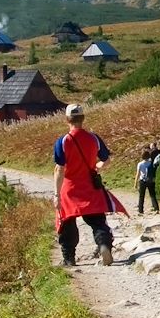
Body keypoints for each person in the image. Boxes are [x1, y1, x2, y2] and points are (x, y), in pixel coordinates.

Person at [53, 104, 119, 266]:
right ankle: (104, 244)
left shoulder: (62, 142)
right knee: (97, 220)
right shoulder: (94, 138)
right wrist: (97, 167)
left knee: (67, 222)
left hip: (70, 188)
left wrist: (56, 195)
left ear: (67, 119)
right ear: (82, 118)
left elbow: (59, 170)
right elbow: (106, 159)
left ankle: (69, 258)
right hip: (90, 186)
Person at [136, 144, 160, 214]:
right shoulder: (151, 163)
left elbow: (138, 174)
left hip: (142, 181)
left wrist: (135, 183)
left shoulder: (140, 164)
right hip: (151, 180)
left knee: (141, 196)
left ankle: (141, 210)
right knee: (152, 194)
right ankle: (156, 208)